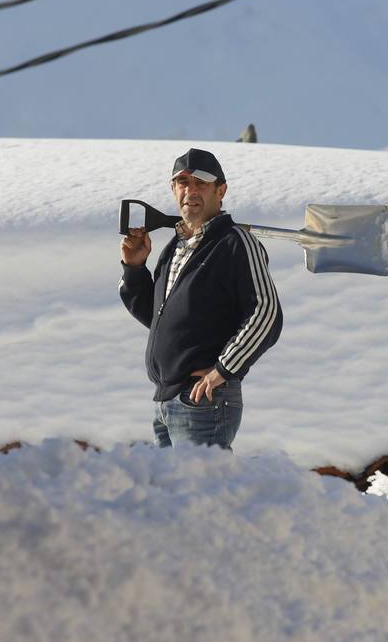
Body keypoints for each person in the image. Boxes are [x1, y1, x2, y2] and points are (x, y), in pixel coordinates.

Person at [119, 148, 282, 449]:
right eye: (182, 182)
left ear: (221, 191)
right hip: (166, 401)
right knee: (177, 496)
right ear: (173, 189)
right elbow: (158, 316)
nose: (190, 190)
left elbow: (266, 313)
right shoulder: (175, 246)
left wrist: (224, 369)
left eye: (201, 183)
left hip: (204, 401)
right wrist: (134, 268)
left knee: (204, 494)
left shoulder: (235, 242)